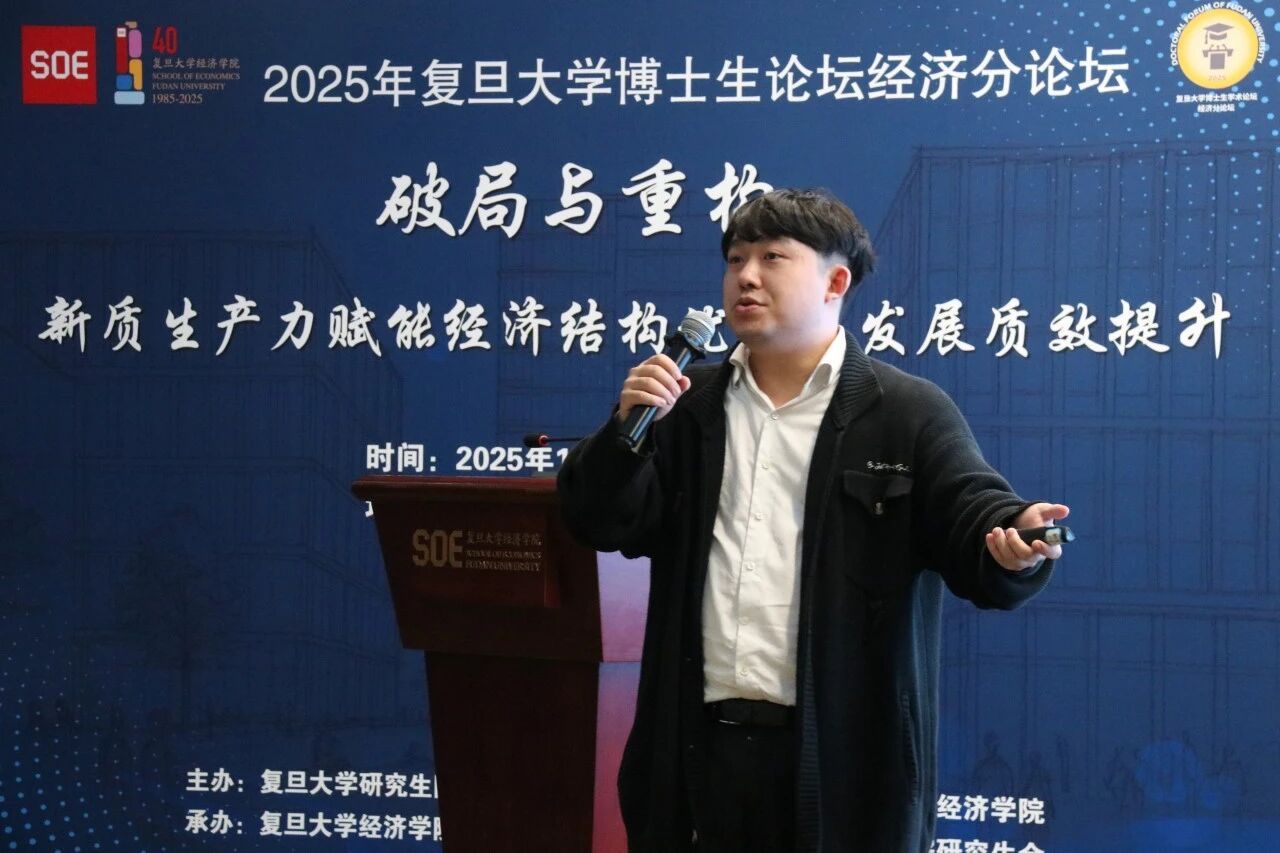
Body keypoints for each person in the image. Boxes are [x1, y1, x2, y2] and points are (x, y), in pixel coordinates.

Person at [557, 188, 1069, 853]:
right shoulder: (685, 407)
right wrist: (624, 432)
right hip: (694, 759)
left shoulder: (906, 411)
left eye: (772, 257)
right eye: (735, 260)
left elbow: (974, 512)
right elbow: (598, 519)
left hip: (845, 767)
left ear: (835, 282)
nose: (746, 276)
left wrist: (1013, 538)